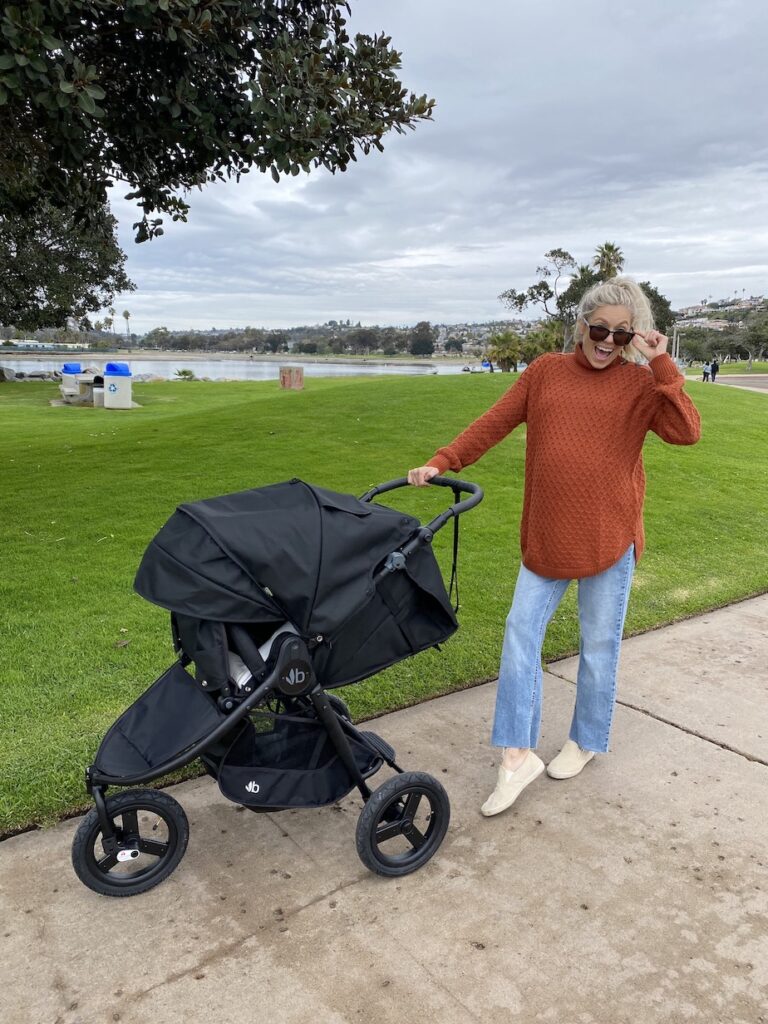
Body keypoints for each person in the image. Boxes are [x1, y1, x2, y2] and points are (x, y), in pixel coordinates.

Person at [407, 277, 701, 817]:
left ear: (634, 335)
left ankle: (586, 740)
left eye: (621, 332)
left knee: (599, 646)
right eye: (598, 329)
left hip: (610, 537)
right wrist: (444, 460)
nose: (607, 341)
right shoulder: (545, 372)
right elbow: (493, 423)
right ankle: (517, 757)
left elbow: (687, 431)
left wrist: (661, 364)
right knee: (521, 631)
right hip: (547, 535)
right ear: (581, 325)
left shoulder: (641, 386)